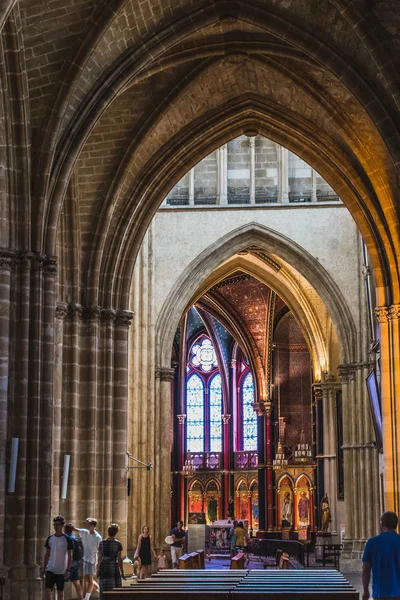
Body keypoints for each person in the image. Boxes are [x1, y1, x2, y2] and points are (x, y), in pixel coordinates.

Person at [362, 511, 400, 600]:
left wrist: (365, 591)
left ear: (381, 523)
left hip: (380, 591)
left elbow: (365, 568)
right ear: (396, 524)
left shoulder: (372, 542)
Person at [41, 515, 73, 600]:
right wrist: (44, 567)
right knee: (47, 590)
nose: (55, 526)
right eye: (54, 524)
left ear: (62, 525)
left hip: (61, 570)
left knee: (60, 592)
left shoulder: (67, 539)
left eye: (58, 524)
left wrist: (68, 569)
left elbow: (70, 555)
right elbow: (47, 554)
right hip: (50, 568)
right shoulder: (50, 538)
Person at [73, 517, 102, 600]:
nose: (88, 526)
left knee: (89, 578)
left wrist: (98, 563)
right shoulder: (85, 532)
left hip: (92, 559)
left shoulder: (97, 537)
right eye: (87, 524)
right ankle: (100, 590)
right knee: (86, 579)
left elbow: (99, 550)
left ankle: (87, 597)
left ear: (93, 526)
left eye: (89, 524)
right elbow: (76, 529)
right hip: (84, 558)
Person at [97, 523, 125, 600]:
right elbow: (119, 560)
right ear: (116, 533)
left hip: (104, 565)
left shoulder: (102, 543)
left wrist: (97, 569)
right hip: (113, 566)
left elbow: (99, 558)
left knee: (104, 586)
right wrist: (122, 572)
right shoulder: (117, 544)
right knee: (114, 587)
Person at [64, 523, 84, 599]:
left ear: (65, 529)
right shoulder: (77, 538)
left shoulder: (65, 538)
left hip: (68, 563)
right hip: (77, 562)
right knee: (76, 582)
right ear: (72, 530)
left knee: (60, 581)